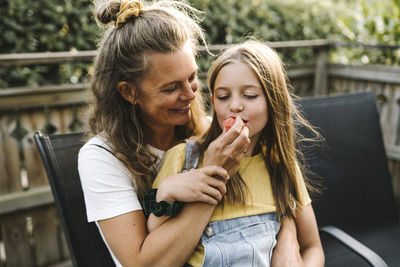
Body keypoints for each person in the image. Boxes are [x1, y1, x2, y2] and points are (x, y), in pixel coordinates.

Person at [78, 0, 304, 266]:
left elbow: (267, 195)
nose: (190, 94)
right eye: (170, 87)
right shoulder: (101, 158)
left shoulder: (211, 130)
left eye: (192, 77)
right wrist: (213, 175)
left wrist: (287, 236)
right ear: (129, 92)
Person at [148, 40, 325, 267]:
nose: (235, 106)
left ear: (274, 102)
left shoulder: (281, 167)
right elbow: (155, 238)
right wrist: (166, 192)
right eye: (223, 97)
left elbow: (313, 248)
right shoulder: (183, 157)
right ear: (213, 102)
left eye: (250, 95)